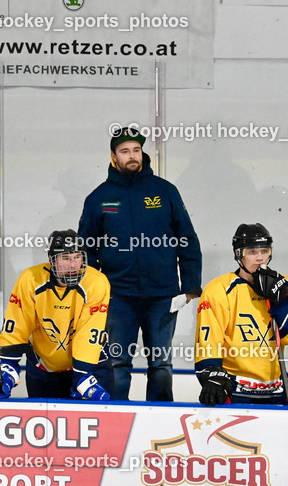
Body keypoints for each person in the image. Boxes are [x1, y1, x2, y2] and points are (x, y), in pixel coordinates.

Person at [78, 125, 202, 401]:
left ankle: (159, 421)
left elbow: (187, 238)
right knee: (117, 363)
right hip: (118, 297)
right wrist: (98, 287)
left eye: (136, 149)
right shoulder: (99, 198)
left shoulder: (165, 191)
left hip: (163, 295)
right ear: (113, 156)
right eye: (125, 151)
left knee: (161, 364)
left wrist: (190, 285)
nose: (132, 155)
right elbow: (85, 248)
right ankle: (116, 420)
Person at [194, 223, 288, 406]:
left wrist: (282, 301)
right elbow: (209, 339)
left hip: (275, 389)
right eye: (252, 252)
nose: (260, 258)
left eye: (264, 251)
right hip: (235, 388)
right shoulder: (219, 289)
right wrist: (210, 372)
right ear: (239, 255)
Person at [0, 230, 111, 400]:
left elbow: (89, 331)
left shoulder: (97, 282)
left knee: (102, 423)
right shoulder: (30, 280)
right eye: (66, 258)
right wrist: (8, 368)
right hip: (43, 368)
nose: (73, 264)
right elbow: (18, 325)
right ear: (52, 259)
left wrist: (82, 375)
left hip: (90, 368)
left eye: (77, 257)